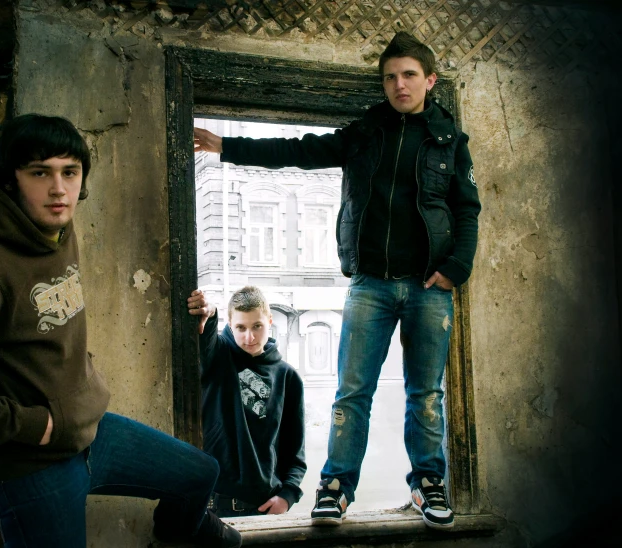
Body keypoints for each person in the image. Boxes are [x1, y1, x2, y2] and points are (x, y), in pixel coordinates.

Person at [0, 114, 241, 548]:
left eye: (69, 172)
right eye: (40, 173)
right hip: (29, 466)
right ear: (10, 180)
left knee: (199, 473)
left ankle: (175, 536)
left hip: (90, 431)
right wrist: (33, 426)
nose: (59, 189)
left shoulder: (57, 227)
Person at [193, 32, 481, 530]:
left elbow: (466, 208)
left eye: (409, 74)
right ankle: (336, 487)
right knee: (352, 392)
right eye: (390, 77)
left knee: (426, 393)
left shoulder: (449, 142)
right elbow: (300, 150)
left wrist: (457, 268)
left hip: (426, 286)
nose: (399, 84)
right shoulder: (365, 132)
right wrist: (227, 146)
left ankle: (427, 484)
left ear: (429, 80)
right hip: (370, 283)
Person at [187, 286, 306, 517]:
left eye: (257, 326)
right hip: (212, 508)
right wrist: (210, 314)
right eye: (240, 328)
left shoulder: (287, 377)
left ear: (269, 321)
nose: (249, 337)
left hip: (262, 509)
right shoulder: (218, 358)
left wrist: (287, 496)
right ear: (230, 324)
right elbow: (206, 338)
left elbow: (295, 449)